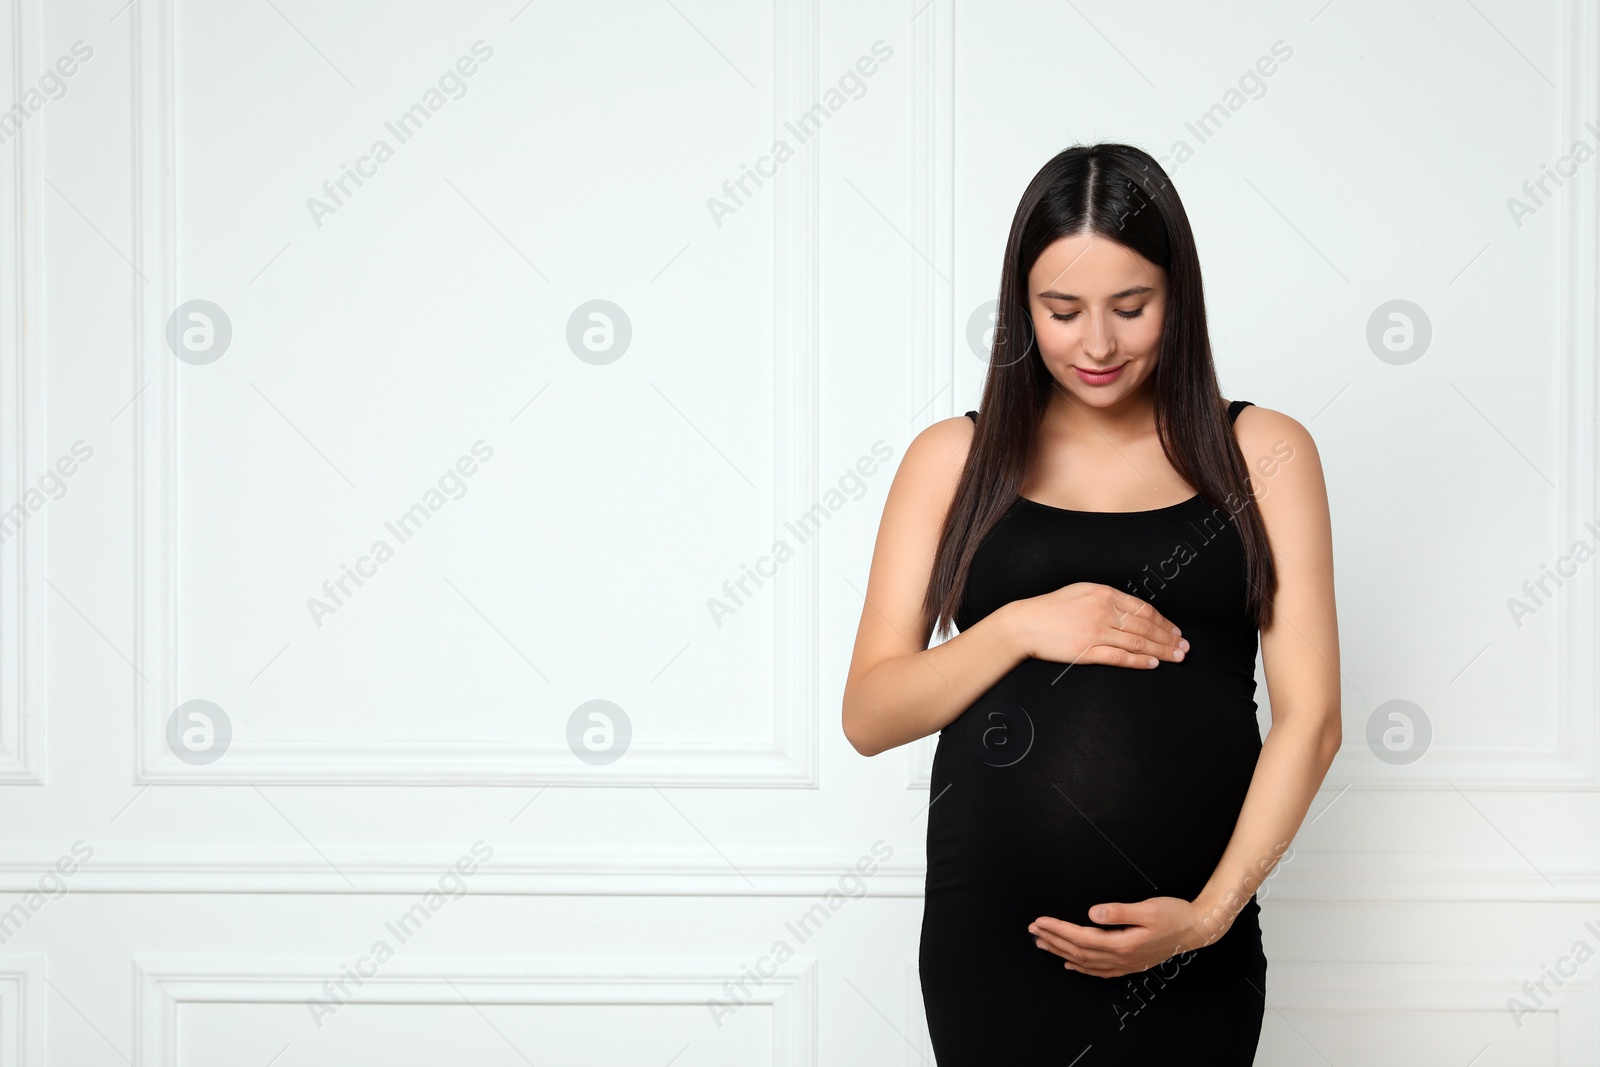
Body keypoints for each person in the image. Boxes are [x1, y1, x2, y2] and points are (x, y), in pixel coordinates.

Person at [841, 142, 1341, 1064]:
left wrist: (1205, 919)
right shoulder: (952, 460)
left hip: (1190, 942)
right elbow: (870, 714)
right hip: (993, 946)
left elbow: (1311, 720)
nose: (1098, 345)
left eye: (1132, 307)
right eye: (1063, 311)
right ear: (1021, 308)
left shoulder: (1265, 452)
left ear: (1178, 297)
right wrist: (1022, 623)